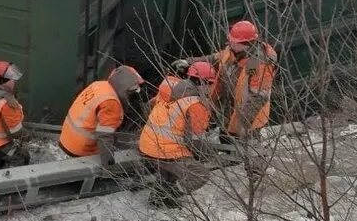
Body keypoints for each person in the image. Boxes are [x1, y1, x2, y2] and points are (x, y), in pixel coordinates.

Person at [178, 20, 277, 143]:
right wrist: (190, 61)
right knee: (226, 139)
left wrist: (240, 124)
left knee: (245, 147)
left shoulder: (256, 62)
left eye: (235, 42)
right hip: (229, 108)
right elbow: (213, 58)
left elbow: (257, 97)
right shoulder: (232, 51)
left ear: (247, 43)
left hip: (247, 115)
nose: (231, 43)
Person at [138, 61, 218, 207]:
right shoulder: (196, 105)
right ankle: (168, 197)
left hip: (146, 145)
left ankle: (157, 199)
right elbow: (195, 140)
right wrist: (207, 154)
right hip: (164, 151)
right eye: (211, 83)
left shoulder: (169, 90)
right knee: (200, 175)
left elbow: (147, 107)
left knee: (170, 172)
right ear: (204, 83)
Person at [59, 65, 144, 164]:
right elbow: (104, 135)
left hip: (66, 140)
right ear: (125, 88)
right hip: (81, 150)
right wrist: (108, 161)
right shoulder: (112, 103)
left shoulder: (99, 85)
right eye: (132, 91)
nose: (131, 94)